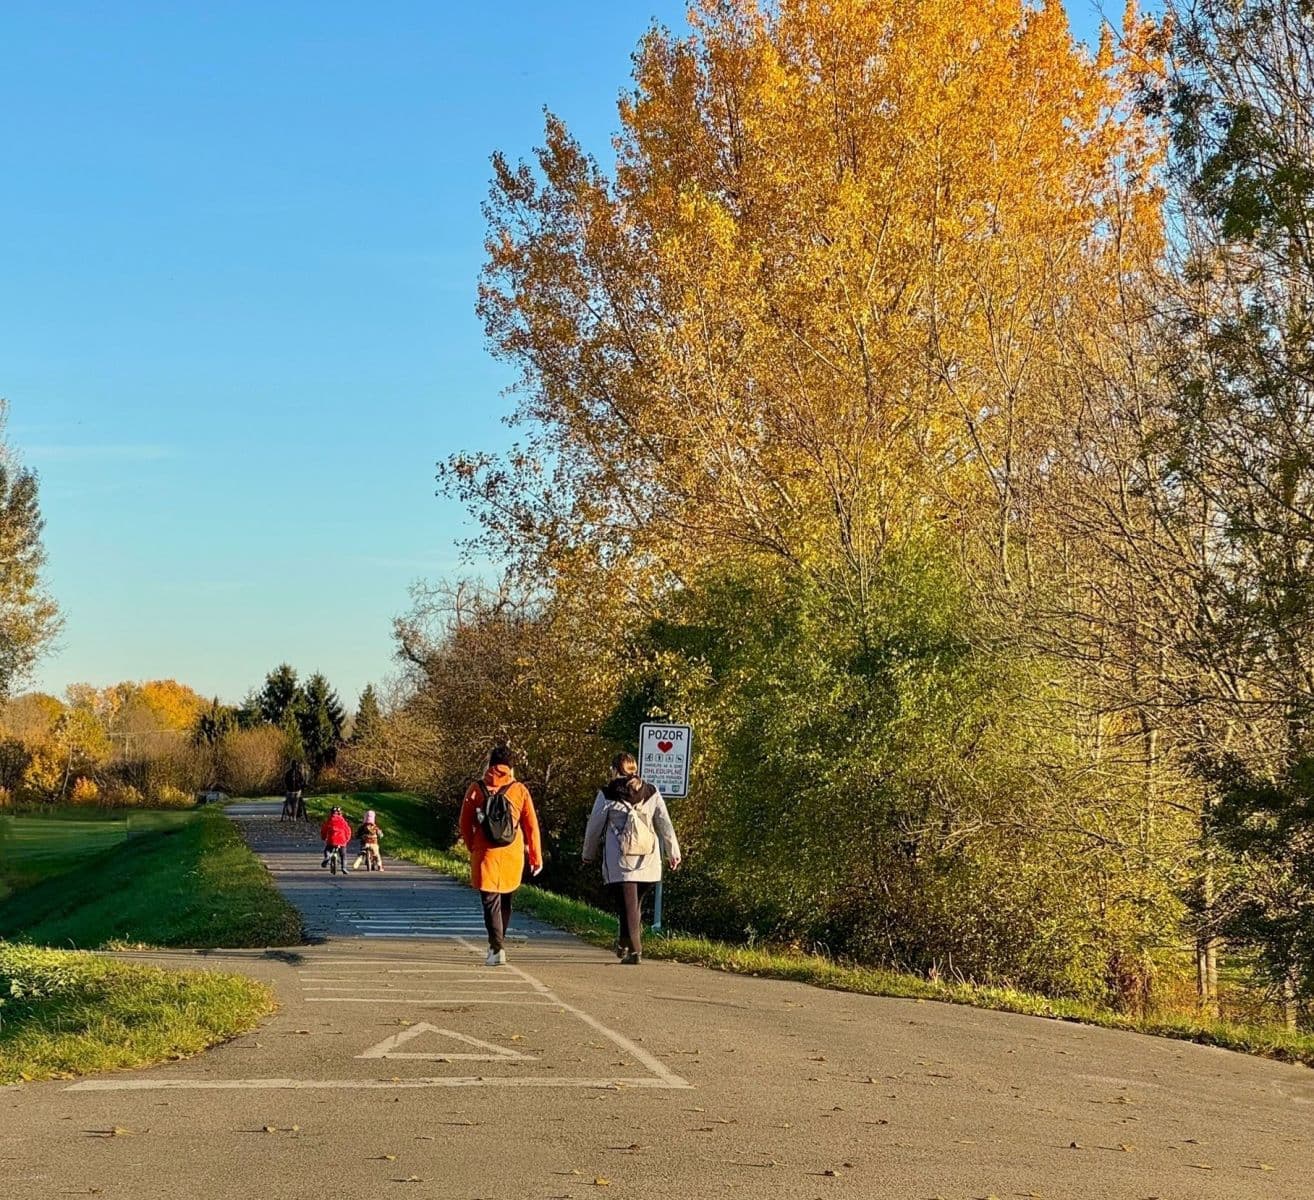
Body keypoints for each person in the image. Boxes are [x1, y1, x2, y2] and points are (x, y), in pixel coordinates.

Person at [582, 752, 680, 965]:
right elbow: (664, 822)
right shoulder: (651, 791)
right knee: (632, 906)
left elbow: (594, 828)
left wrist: (588, 854)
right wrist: (673, 852)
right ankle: (624, 944)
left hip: (621, 859)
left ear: (615, 770)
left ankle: (635, 950)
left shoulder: (607, 793)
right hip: (648, 857)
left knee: (628, 906)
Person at [459, 745, 542, 966]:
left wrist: (472, 846)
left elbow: (464, 823)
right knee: (505, 898)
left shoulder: (476, 789)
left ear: (489, 764)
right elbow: (531, 826)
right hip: (512, 852)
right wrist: (536, 857)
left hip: (485, 852)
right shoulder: (519, 790)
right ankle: (499, 943)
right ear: (511, 767)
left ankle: (496, 947)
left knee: (490, 902)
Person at [320, 805, 352, 871]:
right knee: (343, 855)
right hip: (341, 841)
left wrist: (323, 837)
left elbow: (324, 830)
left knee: (327, 850)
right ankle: (344, 867)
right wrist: (347, 839)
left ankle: (327, 856)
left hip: (332, 840)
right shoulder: (343, 821)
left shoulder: (329, 821)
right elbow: (348, 831)